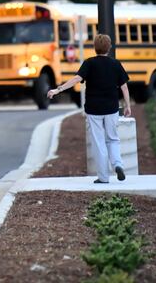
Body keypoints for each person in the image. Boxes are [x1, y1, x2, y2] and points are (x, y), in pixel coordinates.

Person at [47, 34, 131, 184]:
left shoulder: (89, 63)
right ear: (109, 47)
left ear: (95, 47)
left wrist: (58, 90)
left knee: (99, 142)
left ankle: (104, 177)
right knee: (113, 139)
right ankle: (118, 164)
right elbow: (124, 87)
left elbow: (76, 79)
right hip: (111, 108)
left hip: (93, 109)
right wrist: (128, 106)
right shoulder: (115, 64)